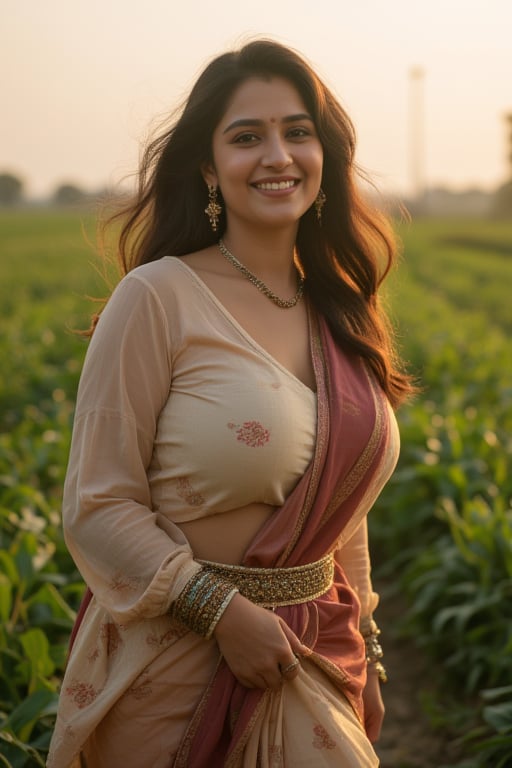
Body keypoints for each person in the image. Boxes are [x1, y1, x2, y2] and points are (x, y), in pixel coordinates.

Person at [47, 38, 413, 768]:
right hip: (174, 672)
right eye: (248, 137)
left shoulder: (340, 311)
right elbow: (97, 502)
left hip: (312, 658)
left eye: (297, 131)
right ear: (209, 167)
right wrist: (222, 614)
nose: (277, 155)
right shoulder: (157, 298)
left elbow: (343, 514)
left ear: (324, 155)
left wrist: (366, 650)